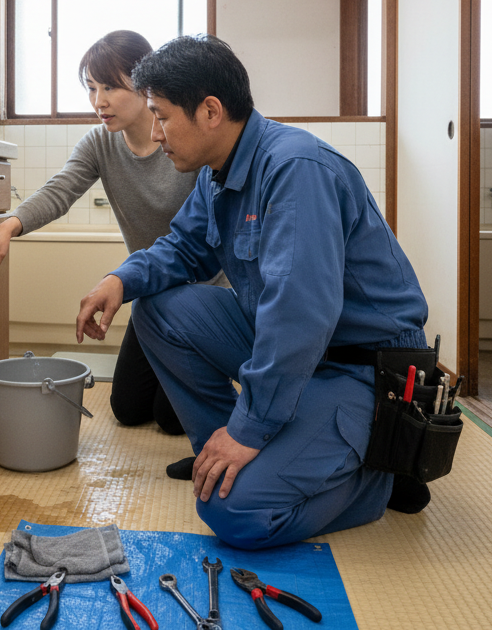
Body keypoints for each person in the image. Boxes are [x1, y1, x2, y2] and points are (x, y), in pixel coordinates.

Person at [74, 35, 432, 550]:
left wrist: (251, 429)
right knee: (157, 310)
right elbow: (182, 249)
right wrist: (119, 280)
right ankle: (226, 455)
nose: (155, 132)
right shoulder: (216, 175)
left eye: (162, 116)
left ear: (211, 111)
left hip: (362, 368)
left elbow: (299, 317)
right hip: (304, 349)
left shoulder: (294, 169)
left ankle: (377, 476)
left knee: (234, 513)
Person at [0, 30, 200, 442]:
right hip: (151, 294)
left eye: (110, 87)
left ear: (145, 88)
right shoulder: (100, 143)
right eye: (91, 88)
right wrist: (7, 227)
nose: (98, 101)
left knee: (170, 419)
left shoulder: (183, 140)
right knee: (127, 409)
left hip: (200, 293)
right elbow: (60, 190)